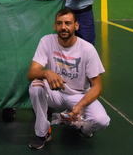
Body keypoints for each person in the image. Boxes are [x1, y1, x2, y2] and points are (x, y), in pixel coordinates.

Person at [27, 8, 110, 150]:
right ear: (55, 26)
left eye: (68, 23)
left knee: (102, 121)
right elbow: (32, 72)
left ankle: (80, 127)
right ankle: (42, 132)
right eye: (59, 23)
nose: (63, 27)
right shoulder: (46, 41)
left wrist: (79, 107)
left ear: (76, 26)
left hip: (78, 96)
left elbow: (97, 86)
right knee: (35, 86)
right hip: (55, 93)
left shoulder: (87, 49)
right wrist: (46, 73)